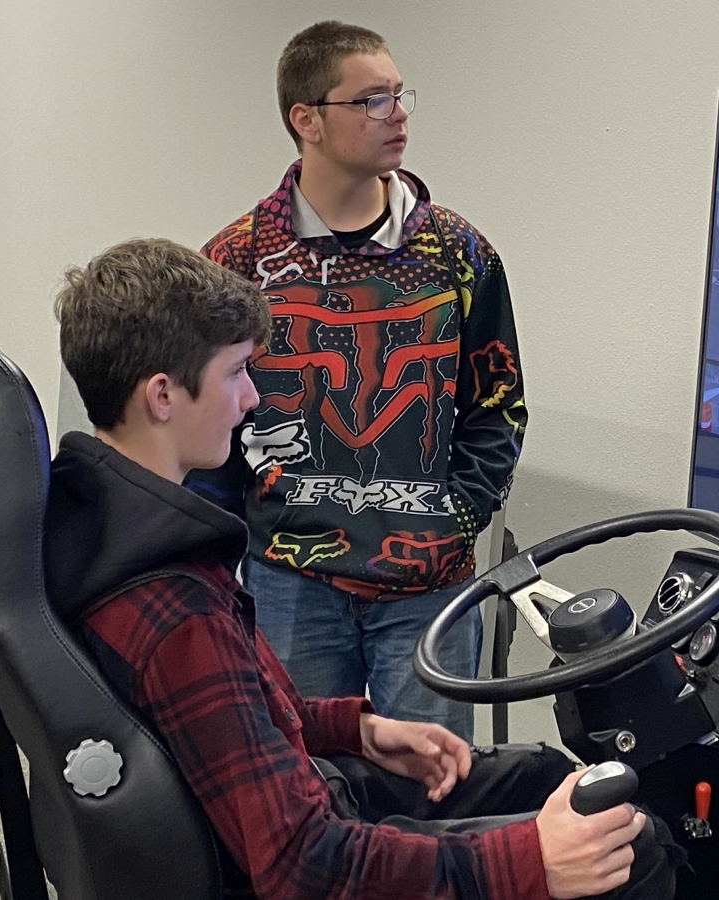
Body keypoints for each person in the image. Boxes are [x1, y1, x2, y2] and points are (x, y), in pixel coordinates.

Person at [46, 238, 678, 899]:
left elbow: (236, 723)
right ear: (163, 396)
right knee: (632, 848)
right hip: (309, 860)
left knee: (551, 773)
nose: (252, 399)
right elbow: (301, 864)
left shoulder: (112, 530)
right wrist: (526, 862)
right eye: (235, 373)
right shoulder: (177, 611)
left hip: (313, 796)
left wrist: (357, 727)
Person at [189, 21, 526, 740]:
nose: (397, 113)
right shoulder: (235, 260)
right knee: (303, 788)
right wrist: (231, 547)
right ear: (305, 120)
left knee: (434, 795)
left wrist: (456, 517)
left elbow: (498, 406)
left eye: (399, 95)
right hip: (289, 579)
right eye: (371, 100)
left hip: (428, 585)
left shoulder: (459, 255)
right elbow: (200, 423)